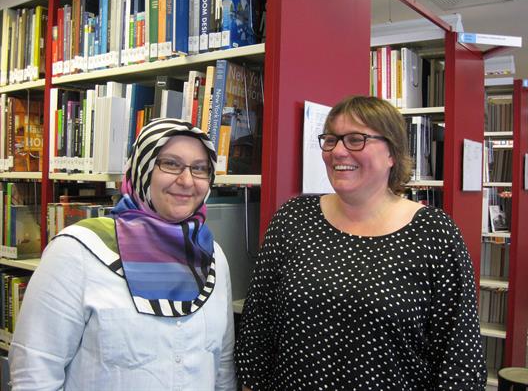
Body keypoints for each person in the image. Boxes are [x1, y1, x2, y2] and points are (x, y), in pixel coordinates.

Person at [235, 96, 487, 390]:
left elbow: (460, 357)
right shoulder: (293, 218)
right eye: (331, 140)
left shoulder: (434, 234)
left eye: (356, 139)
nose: (338, 151)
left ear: (392, 152)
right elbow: (257, 327)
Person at [9, 119, 236, 390]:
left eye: (200, 168)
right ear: (142, 168)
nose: (186, 180)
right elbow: (34, 374)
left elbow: (222, 367)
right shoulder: (77, 252)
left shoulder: (212, 257)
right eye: (171, 163)